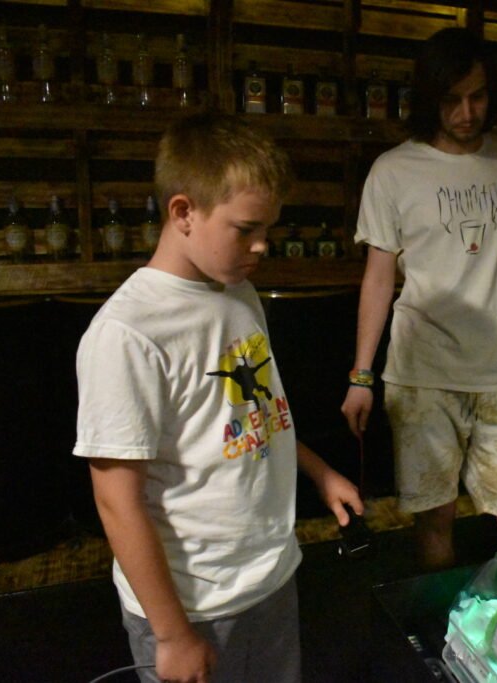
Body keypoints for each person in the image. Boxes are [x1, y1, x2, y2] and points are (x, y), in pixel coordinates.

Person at [74, 112, 364, 683]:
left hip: (269, 577)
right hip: (193, 605)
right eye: (245, 228)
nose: (261, 245)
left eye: (268, 229)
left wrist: (319, 471)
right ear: (183, 212)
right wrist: (172, 634)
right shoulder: (127, 334)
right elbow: (115, 499)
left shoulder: (238, 292)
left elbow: (255, 414)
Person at [341, 27, 497, 571]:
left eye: (478, 97)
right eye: (451, 99)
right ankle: (443, 619)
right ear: (429, 99)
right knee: (435, 518)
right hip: (422, 373)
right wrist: (361, 375)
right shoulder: (393, 170)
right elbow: (378, 277)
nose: (466, 112)